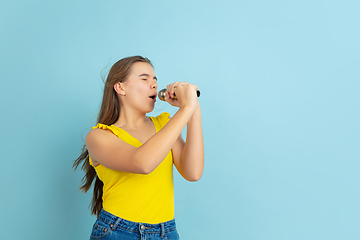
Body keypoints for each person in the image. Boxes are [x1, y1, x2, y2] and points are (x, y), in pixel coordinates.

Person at [73, 56, 204, 240]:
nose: (154, 85)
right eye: (145, 79)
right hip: (118, 232)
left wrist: (193, 109)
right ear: (120, 88)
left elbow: (193, 172)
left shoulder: (164, 125)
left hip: (166, 232)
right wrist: (185, 109)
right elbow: (143, 163)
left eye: (155, 80)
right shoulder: (99, 137)